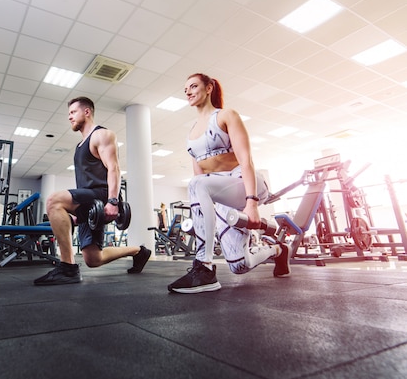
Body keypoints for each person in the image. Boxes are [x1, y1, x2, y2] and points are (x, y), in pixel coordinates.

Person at [167, 73, 290, 294]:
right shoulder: (191, 133)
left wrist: (251, 202)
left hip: (244, 183)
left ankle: (204, 267)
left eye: (193, 86)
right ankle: (277, 250)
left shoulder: (226, 115)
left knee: (195, 184)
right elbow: (201, 177)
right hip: (221, 192)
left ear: (209, 88)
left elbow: (246, 161)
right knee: (239, 265)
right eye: (185, 89)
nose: (188, 92)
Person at [34, 96, 151, 285]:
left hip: (101, 195)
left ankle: (67, 268)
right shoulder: (79, 146)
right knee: (93, 259)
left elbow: (114, 168)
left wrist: (113, 201)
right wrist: (75, 212)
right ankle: (138, 251)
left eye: (73, 112)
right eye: (69, 114)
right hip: (88, 200)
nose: (69, 117)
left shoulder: (102, 135)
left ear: (86, 112)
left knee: (53, 200)